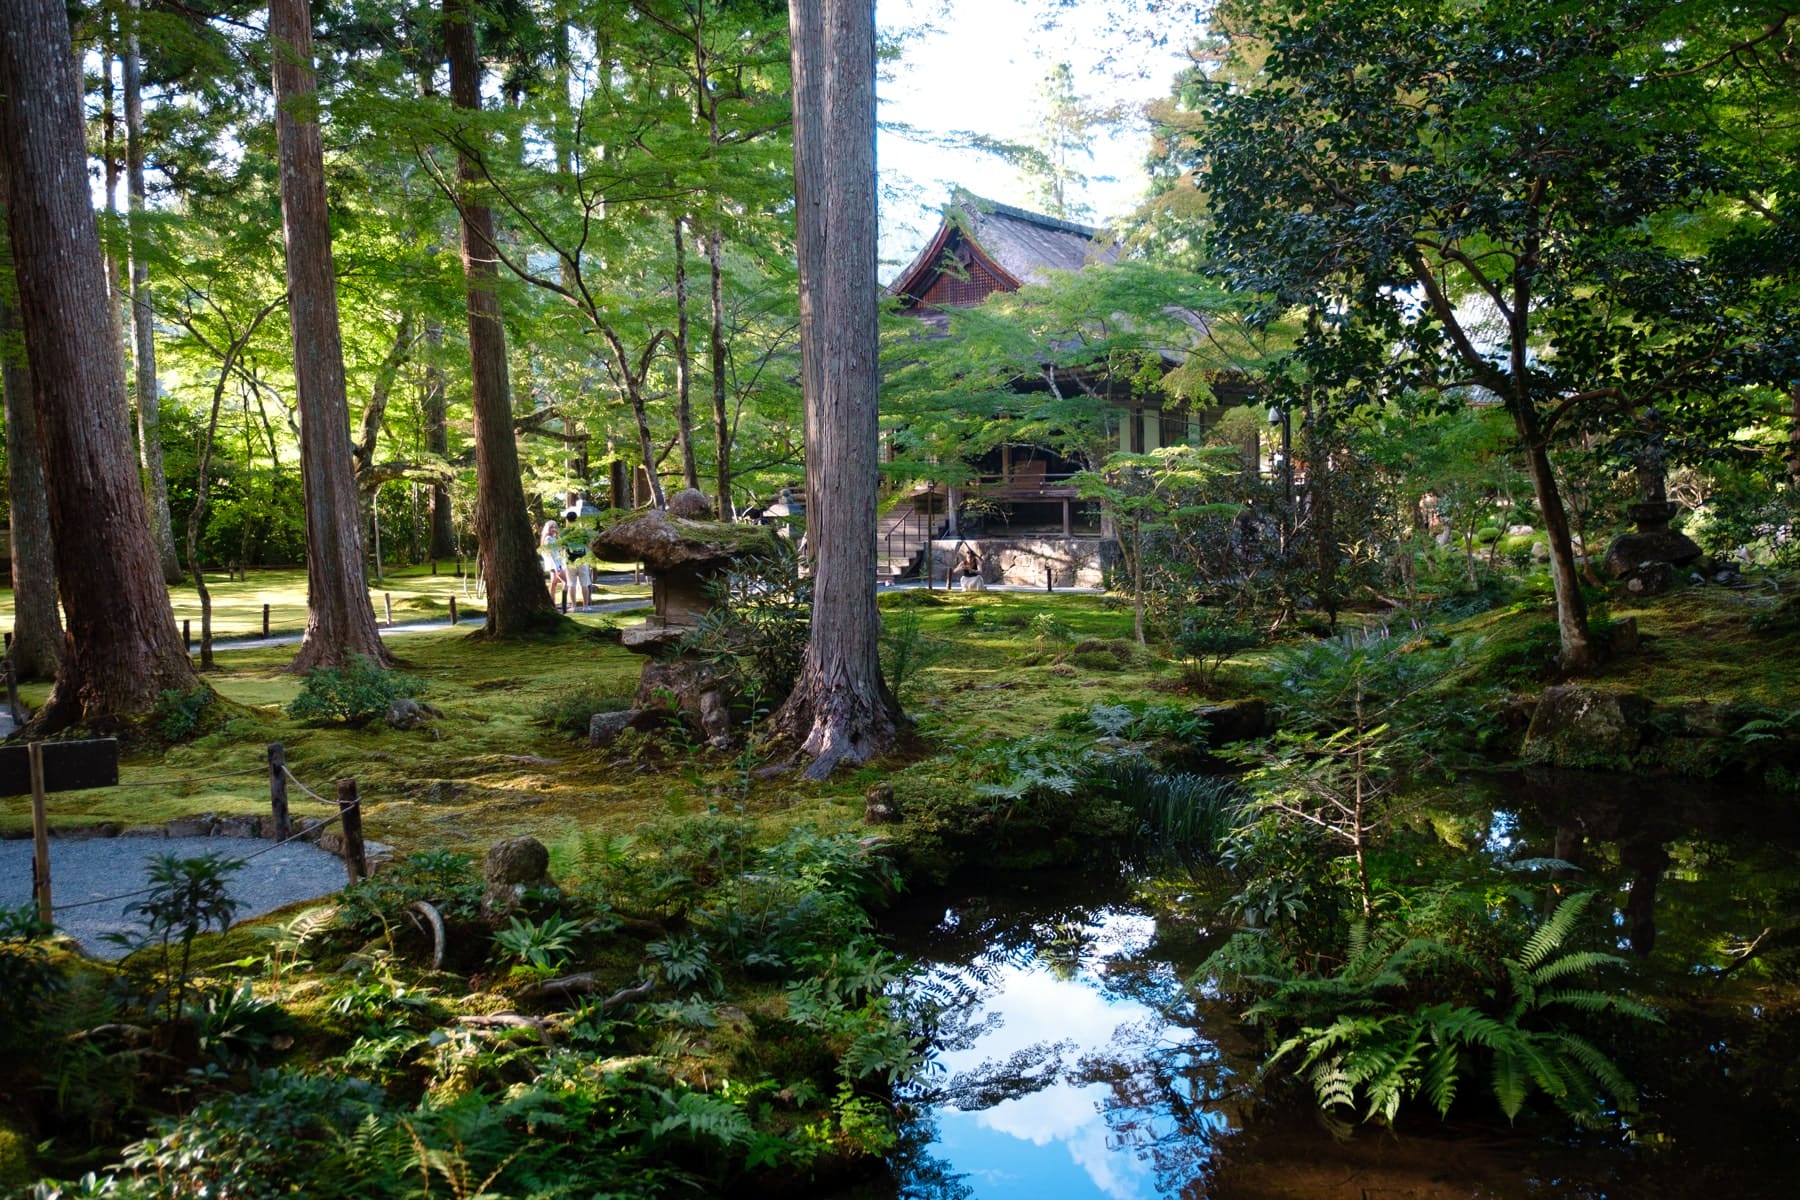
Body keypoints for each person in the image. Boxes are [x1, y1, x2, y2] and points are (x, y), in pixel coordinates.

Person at [538, 519, 566, 605]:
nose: (554, 529)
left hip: (555, 564)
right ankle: (563, 604)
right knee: (566, 582)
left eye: (555, 527)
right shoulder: (548, 539)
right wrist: (557, 567)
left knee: (554, 584)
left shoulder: (553, 538)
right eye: (551, 527)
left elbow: (560, 548)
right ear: (547, 529)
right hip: (555, 565)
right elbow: (551, 554)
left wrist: (557, 536)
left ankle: (553, 603)